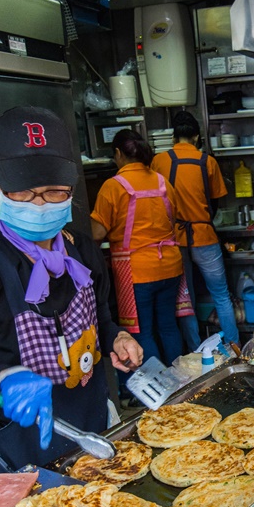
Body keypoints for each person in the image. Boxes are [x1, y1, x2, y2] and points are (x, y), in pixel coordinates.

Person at [0, 107, 142, 475]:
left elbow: (100, 319)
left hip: (96, 433)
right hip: (22, 457)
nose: (40, 205)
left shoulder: (81, 250)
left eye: (54, 193)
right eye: (24, 193)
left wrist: (116, 338)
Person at [91, 129, 186, 369]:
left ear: (118, 153)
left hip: (136, 271)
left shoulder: (113, 186)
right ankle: (181, 383)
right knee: (167, 325)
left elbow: (97, 233)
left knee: (141, 332)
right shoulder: (162, 181)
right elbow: (174, 218)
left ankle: (157, 390)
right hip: (170, 265)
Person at [150, 111, 239, 351]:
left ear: (173, 137)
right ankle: (233, 349)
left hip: (173, 241)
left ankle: (196, 351)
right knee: (221, 295)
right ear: (197, 137)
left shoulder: (159, 161)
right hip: (204, 237)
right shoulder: (207, 161)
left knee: (184, 300)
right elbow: (216, 201)